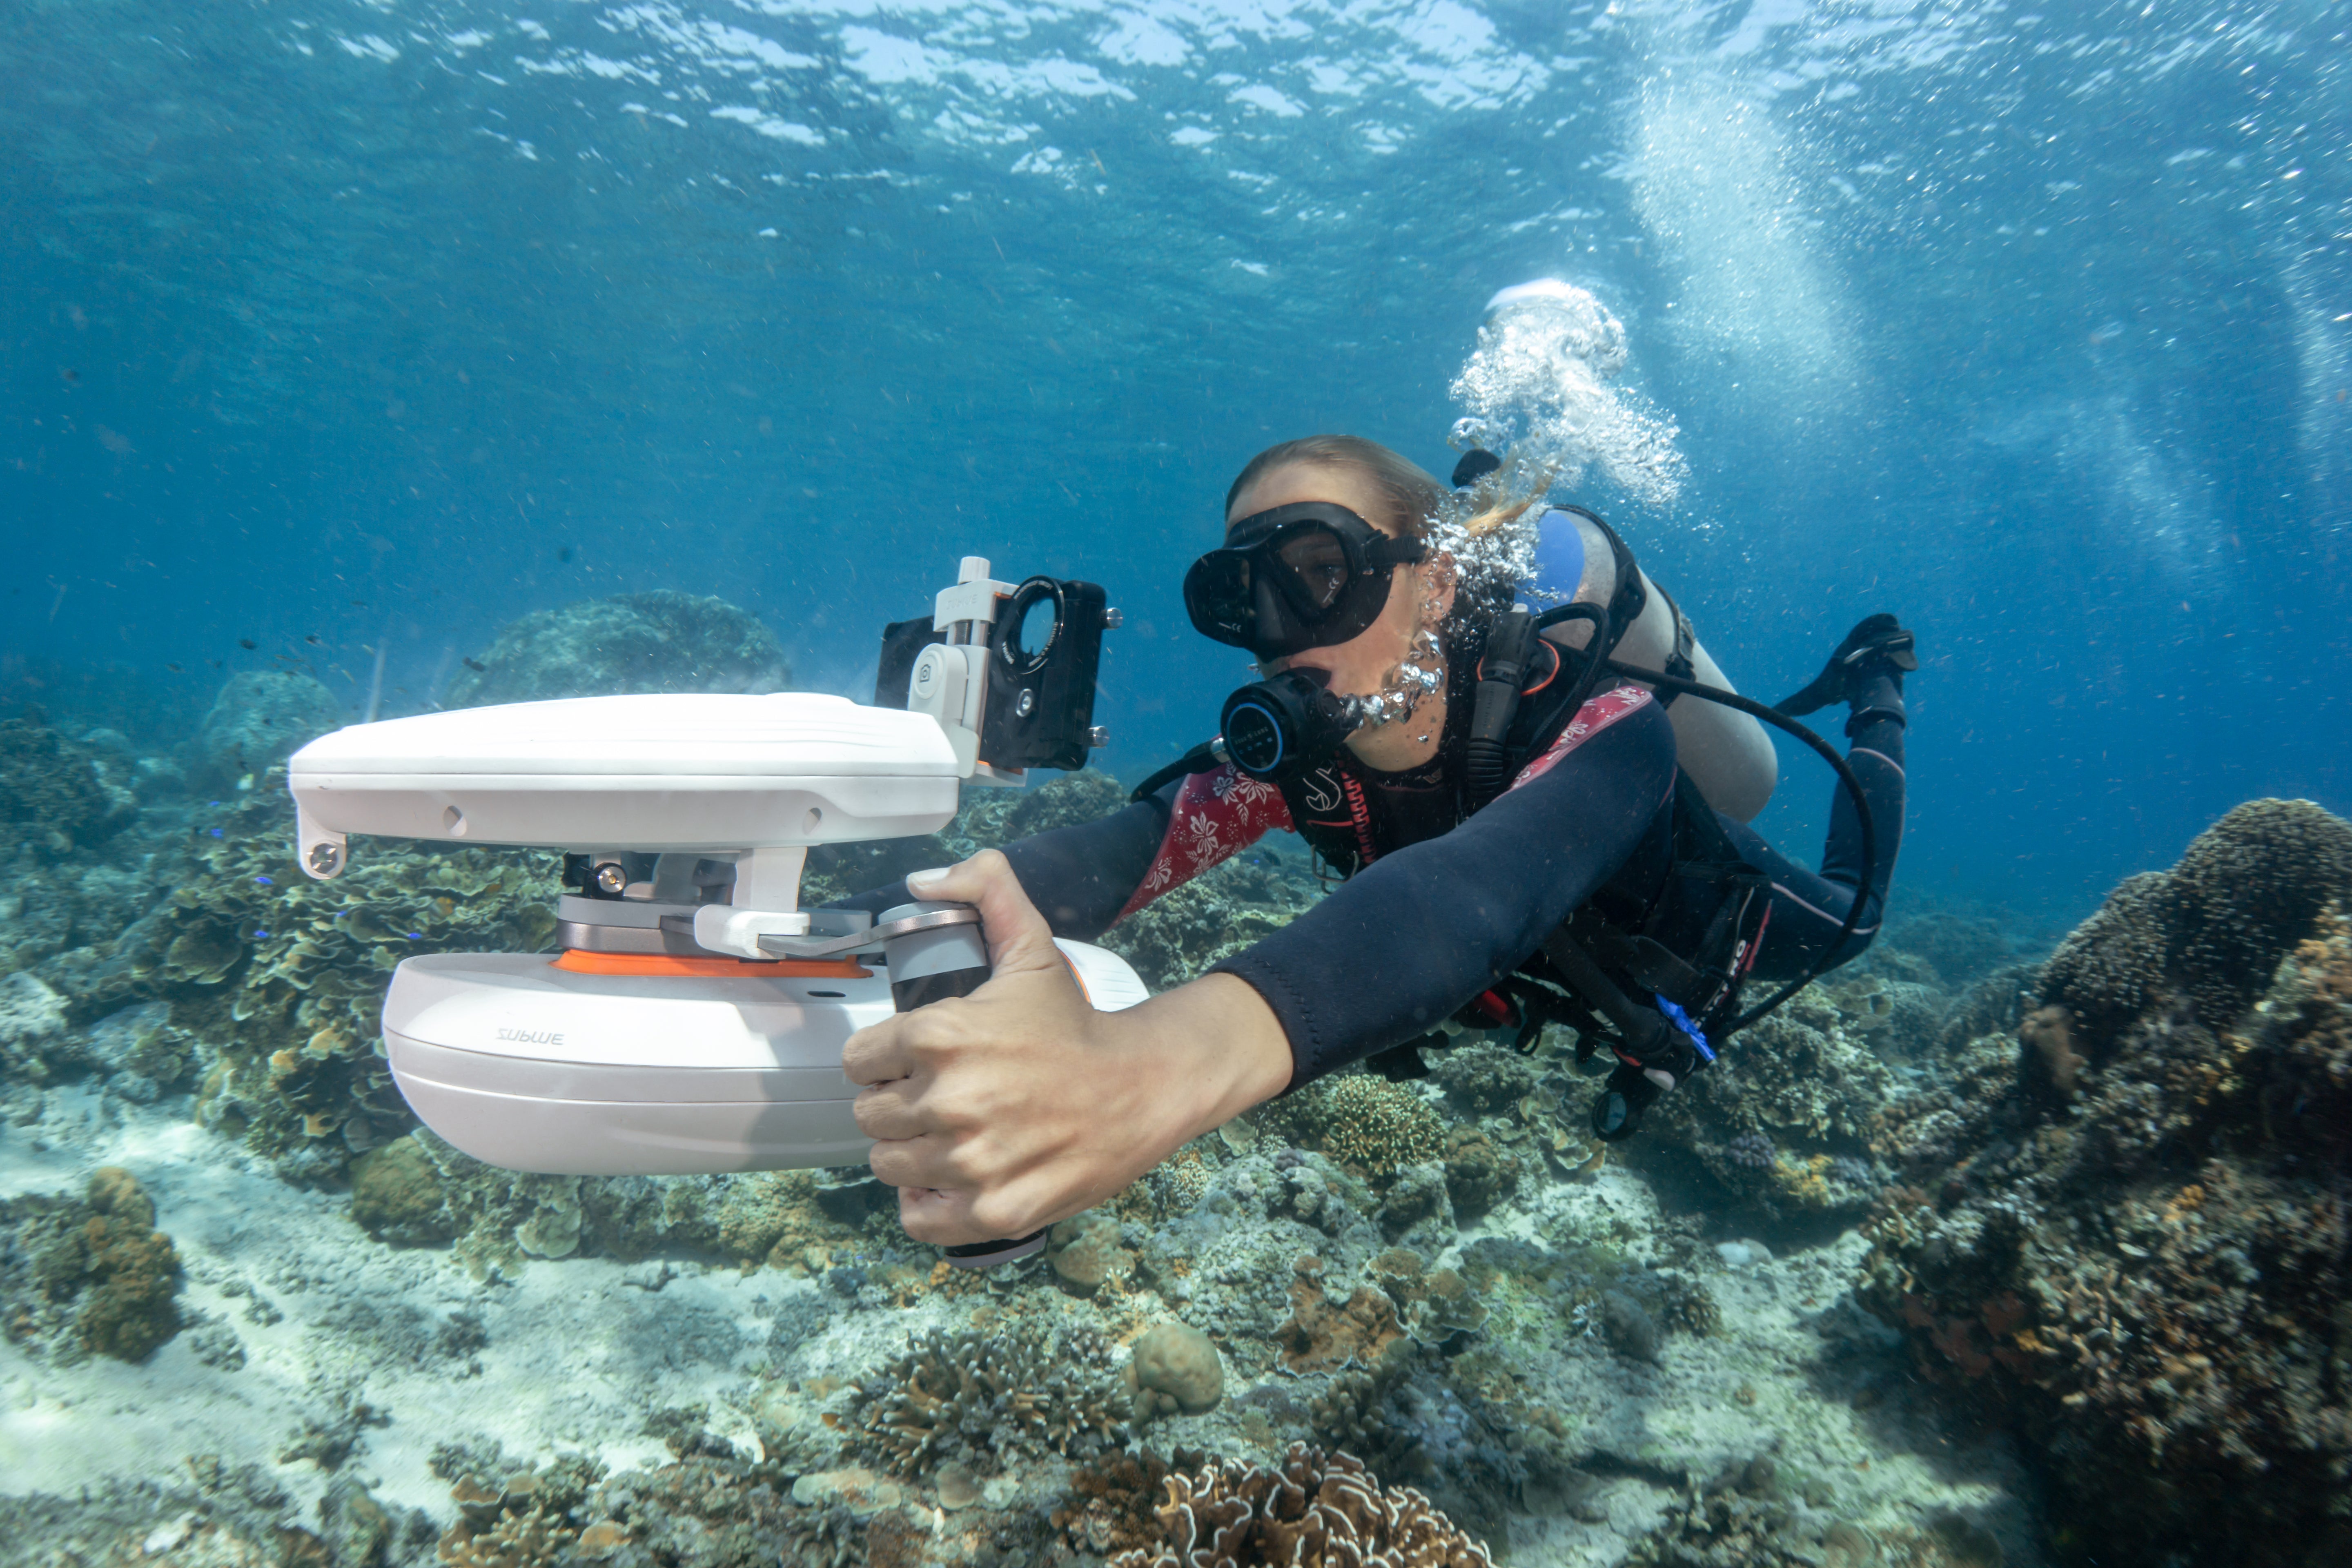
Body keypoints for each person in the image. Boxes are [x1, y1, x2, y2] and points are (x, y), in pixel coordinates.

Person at [840, 435, 1914, 1249]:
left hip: (1691, 929)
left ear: (1434, 585)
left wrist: (1146, 1070)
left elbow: (1465, 894)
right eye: (1242, 598)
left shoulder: (1605, 725)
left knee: (1855, 918)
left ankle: (1876, 695)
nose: (1280, 636)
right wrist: (906, 912)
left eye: (1316, 573)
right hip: (1531, 981)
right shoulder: (1304, 751)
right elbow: (1140, 841)